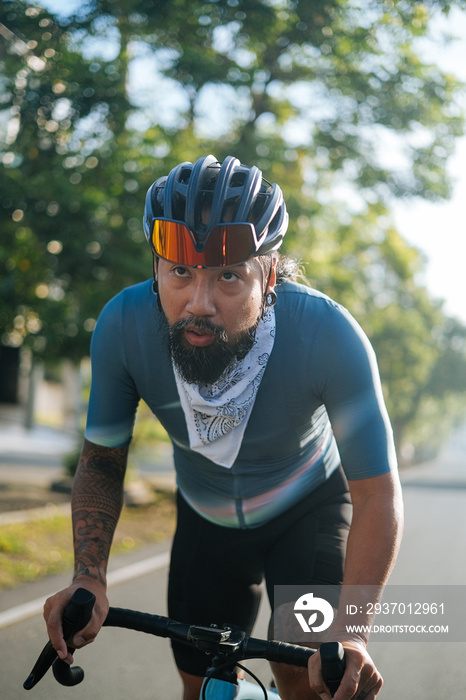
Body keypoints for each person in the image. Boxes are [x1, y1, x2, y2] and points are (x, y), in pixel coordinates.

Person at [44, 154, 403, 700]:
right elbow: (102, 460)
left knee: (307, 676)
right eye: (180, 272)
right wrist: (88, 575)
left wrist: (353, 633)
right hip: (205, 519)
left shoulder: (329, 335)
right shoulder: (123, 326)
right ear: (158, 269)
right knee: (204, 687)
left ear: (270, 277)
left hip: (306, 513)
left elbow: (377, 492)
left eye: (229, 276)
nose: (200, 303)